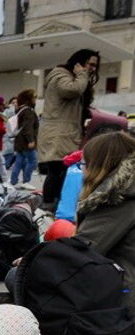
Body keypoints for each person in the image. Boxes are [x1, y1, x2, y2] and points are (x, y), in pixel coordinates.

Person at [74, 131, 135, 313]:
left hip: (126, 300)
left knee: (19, 278)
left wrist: (34, 259)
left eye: (83, 164)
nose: (82, 170)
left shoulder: (118, 197)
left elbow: (83, 250)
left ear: (99, 167)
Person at [38, 49, 101, 211]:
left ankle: (57, 205)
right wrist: (82, 75)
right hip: (58, 133)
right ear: (78, 63)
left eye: (95, 65)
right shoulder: (60, 74)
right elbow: (70, 90)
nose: (92, 68)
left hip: (67, 132)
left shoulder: (76, 78)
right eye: (90, 64)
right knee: (57, 170)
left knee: (64, 171)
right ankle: (48, 206)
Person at [10, 89, 40, 185]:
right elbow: (28, 127)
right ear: (29, 99)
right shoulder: (29, 111)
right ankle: (26, 181)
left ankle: (13, 181)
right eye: (34, 97)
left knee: (19, 161)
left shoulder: (20, 110)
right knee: (33, 161)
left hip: (19, 140)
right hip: (26, 141)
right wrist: (31, 140)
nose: (35, 99)